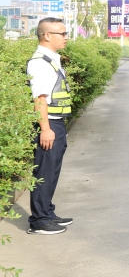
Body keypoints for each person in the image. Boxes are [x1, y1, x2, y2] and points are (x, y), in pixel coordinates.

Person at [26, 18, 74, 235]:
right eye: (61, 34)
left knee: (51, 171)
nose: (66, 37)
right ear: (46, 36)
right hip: (49, 124)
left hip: (56, 123)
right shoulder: (40, 63)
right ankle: (39, 221)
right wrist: (45, 129)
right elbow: (40, 99)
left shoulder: (51, 59)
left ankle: (47, 212)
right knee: (44, 171)